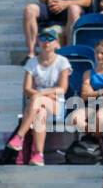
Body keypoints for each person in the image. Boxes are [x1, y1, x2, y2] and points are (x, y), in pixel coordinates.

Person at [5, 26, 70, 166]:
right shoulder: (32, 62)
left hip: (56, 105)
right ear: (39, 42)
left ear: (56, 43)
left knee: (36, 100)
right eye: (43, 39)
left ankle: (19, 137)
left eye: (50, 39)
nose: (46, 42)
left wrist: (41, 94)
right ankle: (38, 155)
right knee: (39, 111)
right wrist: (44, 95)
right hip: (38, 106)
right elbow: (26, 89)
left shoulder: (62, 61)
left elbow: (62, 89)